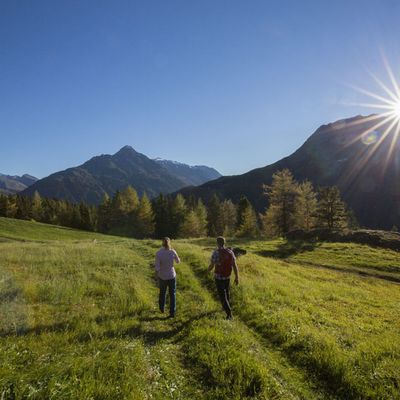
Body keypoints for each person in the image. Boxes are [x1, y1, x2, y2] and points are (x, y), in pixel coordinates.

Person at [208, 236, 239, 320]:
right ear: (224, 243)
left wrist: (207, 270)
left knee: (222, 296)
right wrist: (236, 277)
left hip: (219, 277)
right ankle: (225, 307)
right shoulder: (230, 252)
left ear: (217, 243)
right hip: (227, 276)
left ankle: (229, 314)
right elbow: (234, 265)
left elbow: (212, 265)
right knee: (227, 293)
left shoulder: (215, 253)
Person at [155, 237, 180, 318]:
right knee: (172, 294)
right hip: (172, 275)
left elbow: (157, 267)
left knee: (162, 292)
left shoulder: (158, 253)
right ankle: (172, 312)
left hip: (162, 276)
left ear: (162, 243)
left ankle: (162, 309)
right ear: (169, 243)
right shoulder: (172, 251)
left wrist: (157, 277)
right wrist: (176, 256)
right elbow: (178, 261)